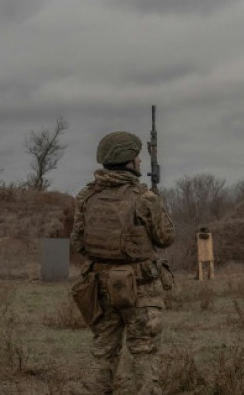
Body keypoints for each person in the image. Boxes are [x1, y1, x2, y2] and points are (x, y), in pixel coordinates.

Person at [70, 131, 176, 395]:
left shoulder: (86, 196)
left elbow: (79, 243)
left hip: (100, 285)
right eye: (137, 157)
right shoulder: (144, 198)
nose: (140, 161)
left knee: (103, 350)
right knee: (144, 351)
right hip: (139, 286)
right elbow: (165, 238)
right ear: (129, 161)